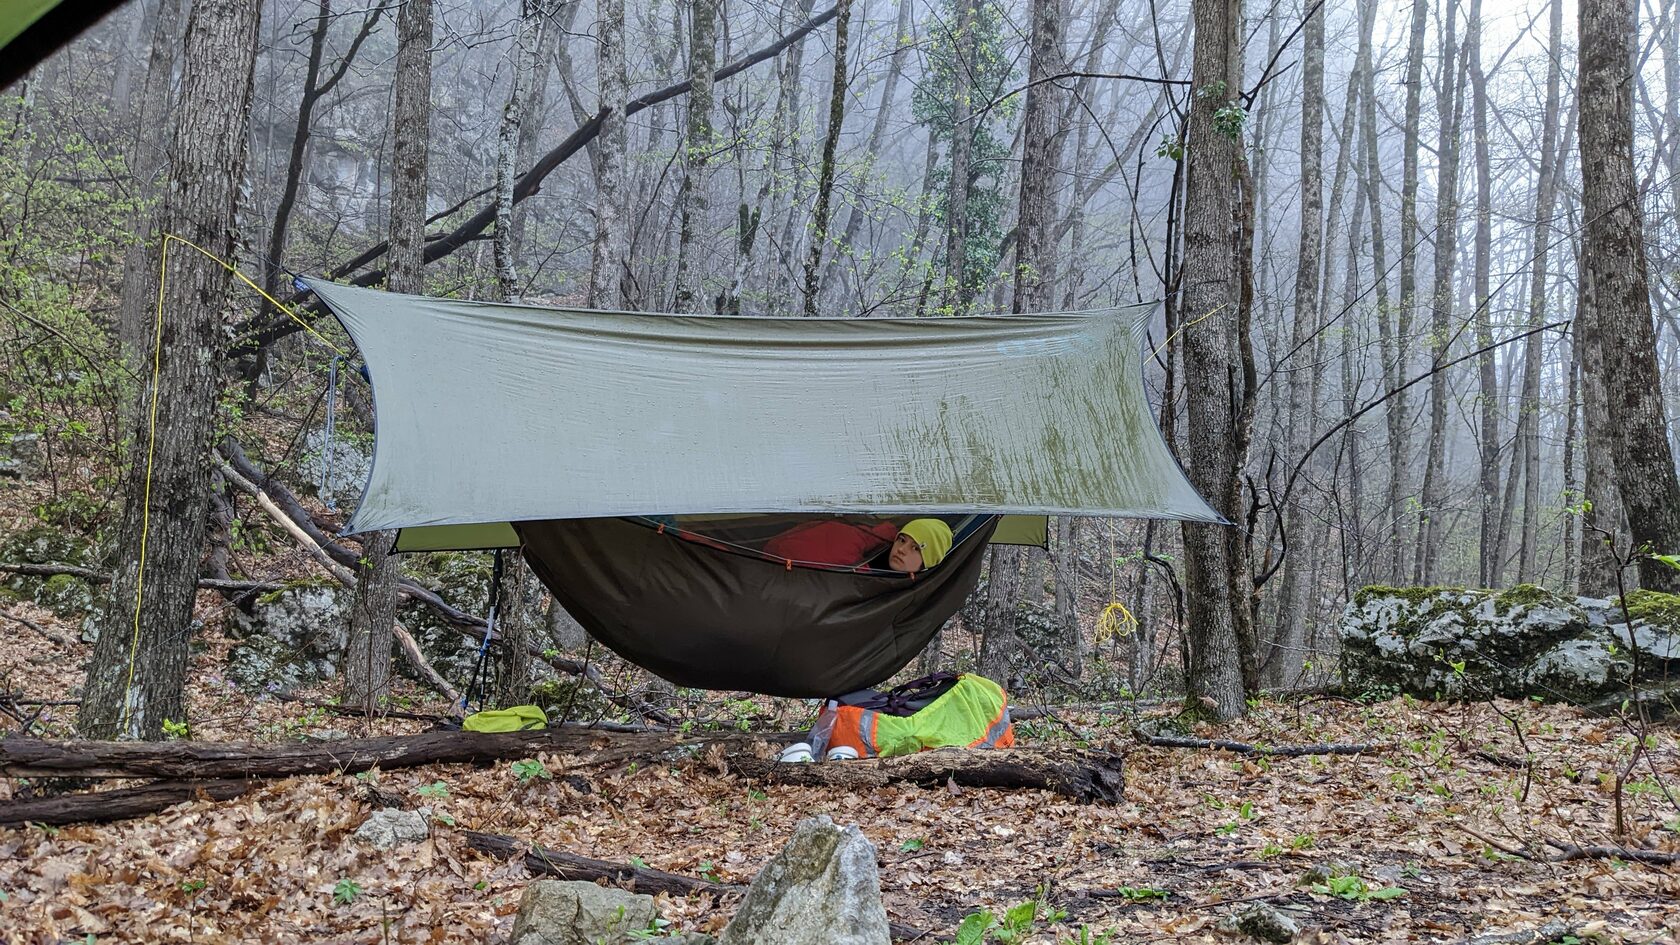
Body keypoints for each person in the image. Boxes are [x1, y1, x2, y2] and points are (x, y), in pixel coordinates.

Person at [761, 517, 952, 574]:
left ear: (927, 562)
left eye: (916, 548)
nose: (902, 549)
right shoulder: (859, 546)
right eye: (902, 540)